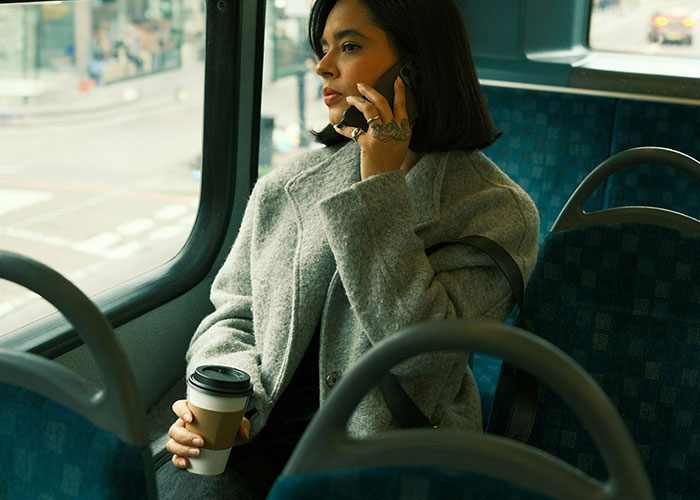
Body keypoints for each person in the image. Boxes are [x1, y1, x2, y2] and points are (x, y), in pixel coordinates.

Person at [157, 0, 539, 498]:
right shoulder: (289, 185)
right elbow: (234, 314)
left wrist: (378, 188)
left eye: (350, 46)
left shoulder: (497, 211)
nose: (323, 66)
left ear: (417, 64)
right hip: (254, 443)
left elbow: (421, 359)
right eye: (323, 48)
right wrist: (230, 401)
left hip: (389, 461)